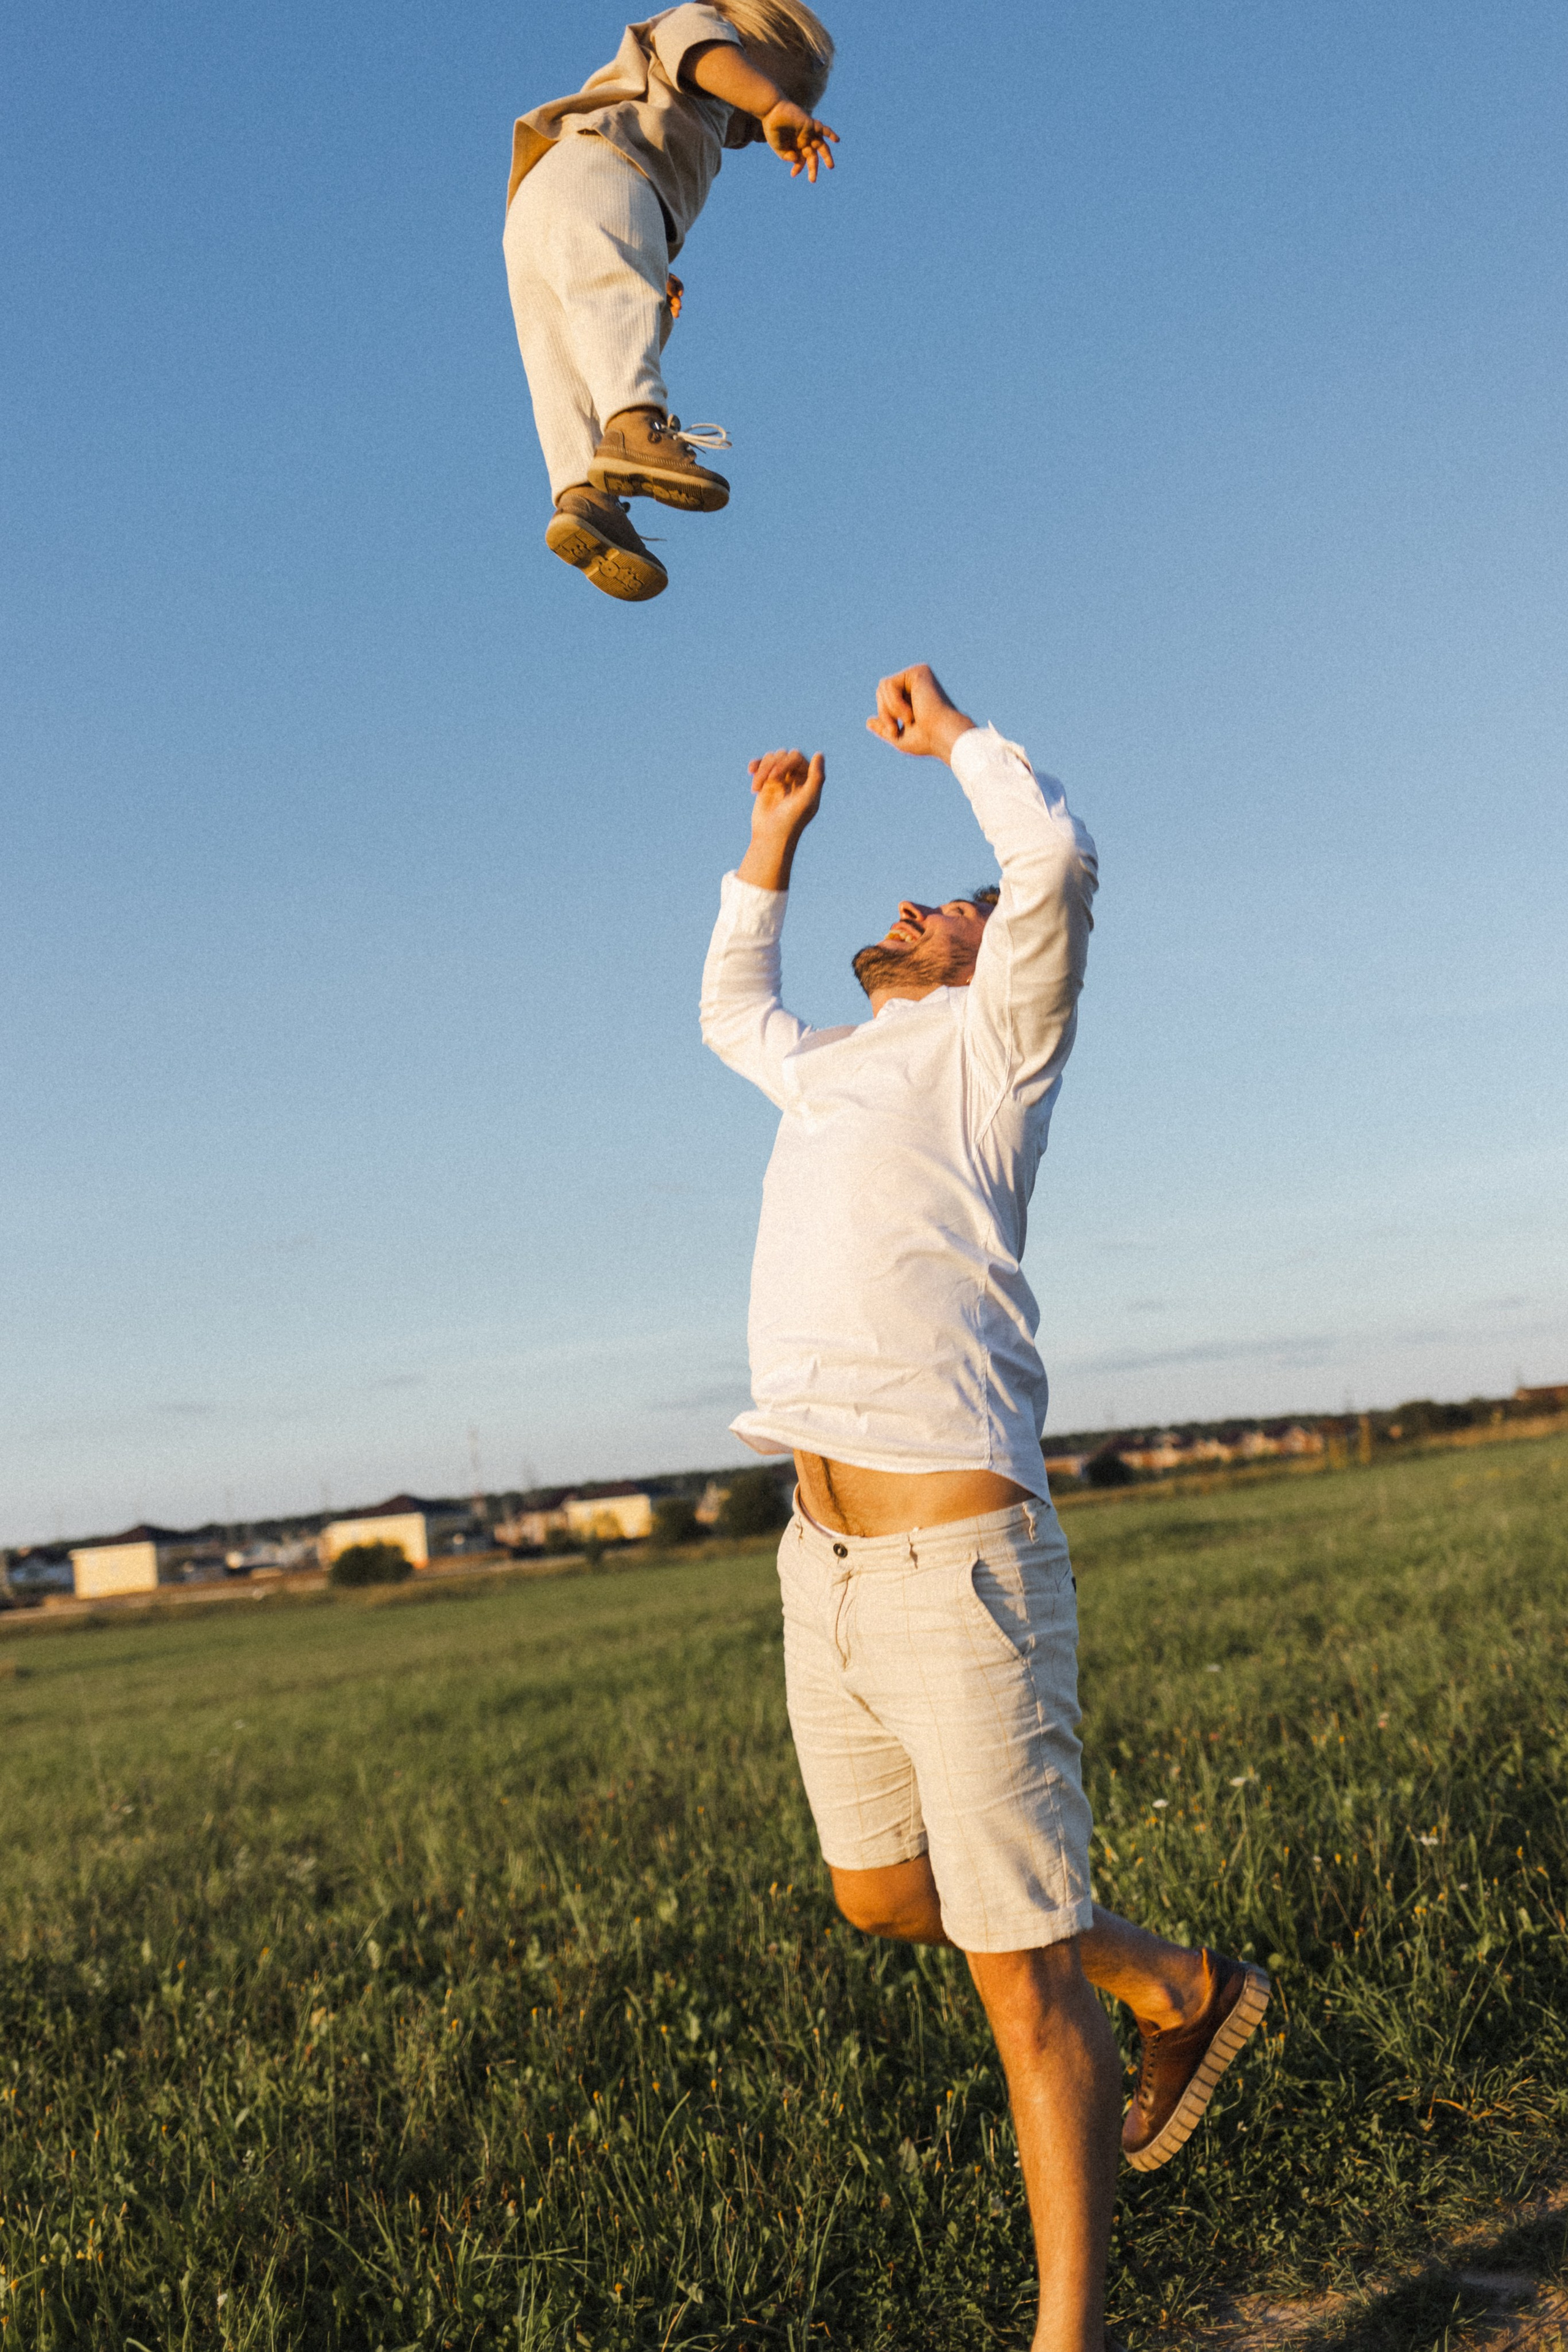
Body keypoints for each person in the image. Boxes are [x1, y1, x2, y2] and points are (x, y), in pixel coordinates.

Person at [699, 663, 1270, 2352]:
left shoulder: (993, 1051)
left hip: (961, 1566)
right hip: (823, 1566)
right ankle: (1181, 1983)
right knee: (880, 1896)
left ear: (977, 955)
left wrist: (956, 745)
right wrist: (766, 844)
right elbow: (734, 1010)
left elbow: (1056, 872)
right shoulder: (825, 1067)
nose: (916, 908)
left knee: (1015, 1981)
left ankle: (1069, 2337)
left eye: (942, 908)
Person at [503, 1, 837, 603]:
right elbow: (704, 53)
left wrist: (651, 258)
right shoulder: (696, 26)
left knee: (561, 360)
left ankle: (584, 496)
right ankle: (636, 425)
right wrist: (769, 103)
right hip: (598, 163)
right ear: (745, 39)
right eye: (792, 92)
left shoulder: (696, 114)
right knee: (614, 299)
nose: (757, 135)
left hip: (540, 204)